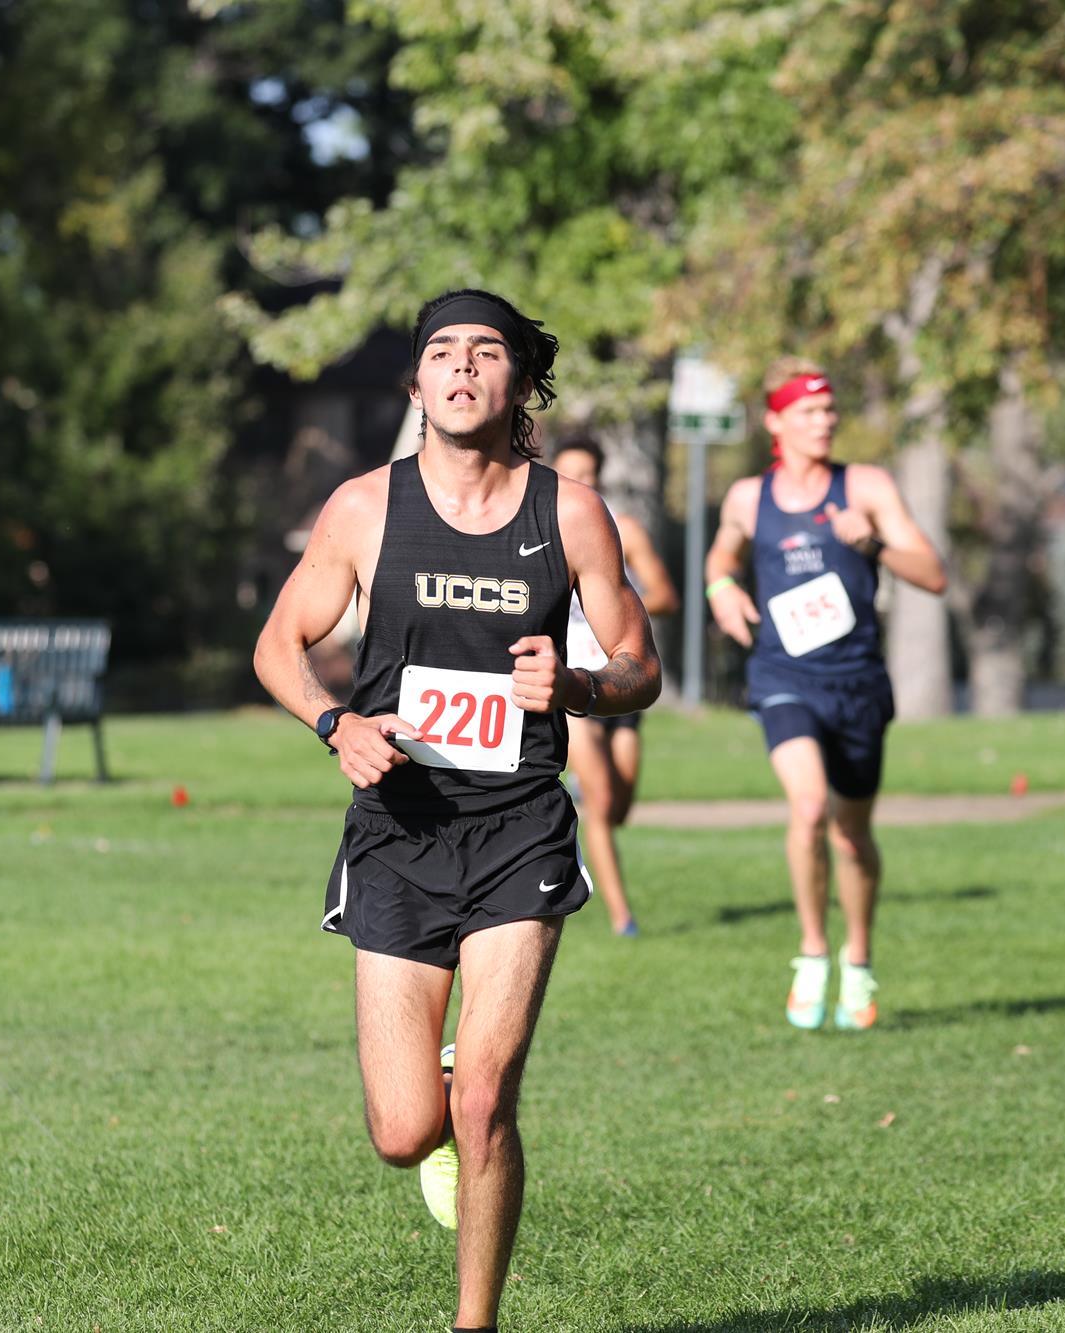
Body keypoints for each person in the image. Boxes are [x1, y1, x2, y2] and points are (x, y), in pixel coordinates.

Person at [253, 289, 660, 1333]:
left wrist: (575, 689)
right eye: (442, 352)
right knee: (404, 1129)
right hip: (396, 829)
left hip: (519, 823)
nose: (463, 367)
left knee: (484, 1104)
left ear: (518, 383)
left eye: (487, 353)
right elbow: (276, 645)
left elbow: (638, 667)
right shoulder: (363, 508)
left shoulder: (566, 511)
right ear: (418, 383)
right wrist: (332, 721)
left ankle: (471, 1322)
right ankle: (434, 1098)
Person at [703, 360, 945, 1031]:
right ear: (776, 421)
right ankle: (812, 952)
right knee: (808, 807)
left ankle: (858, 958)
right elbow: (721, 557)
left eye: (830, 410)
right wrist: (723, 593)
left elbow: (933, 574)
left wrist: (872, 543)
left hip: (859, 682)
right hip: (784, 677)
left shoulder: (866, 486)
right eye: (808, 411)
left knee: (852, 835)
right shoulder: (750, 498)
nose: (825, 421)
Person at [549, 437, 679, 936]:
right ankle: (623, 917)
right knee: (601, 804)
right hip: (573, 685)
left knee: (620, 807)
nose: (581, 482)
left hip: (622, 678)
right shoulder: (542, 533)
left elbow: (665, 594)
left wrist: (624, 606)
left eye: (589, 473)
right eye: (570, 472)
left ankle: (590, 786)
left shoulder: (624, 531)